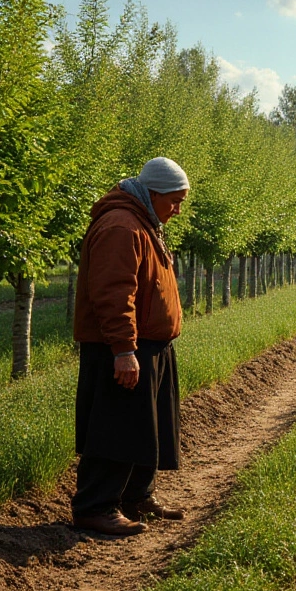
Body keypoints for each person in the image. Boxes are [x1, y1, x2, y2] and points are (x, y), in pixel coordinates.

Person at [70, 157, 190, 536]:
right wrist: (124, 350)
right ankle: (96, 506)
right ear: (151, 194)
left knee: (144, 428)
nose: (177, 209)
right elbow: (113, 292)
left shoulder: (142, 222)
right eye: (173, 200)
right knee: (115, 428)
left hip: (149, 345)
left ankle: (137, 497)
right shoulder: (121, 226)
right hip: (122, 349)